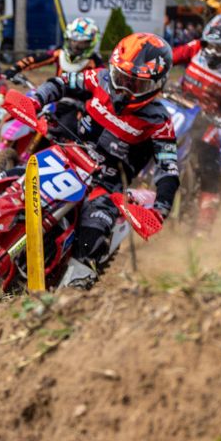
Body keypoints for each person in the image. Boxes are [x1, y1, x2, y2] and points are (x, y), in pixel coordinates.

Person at [21, 33, 179, 288]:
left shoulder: (159, 121)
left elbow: (168, 168)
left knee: (91, 234)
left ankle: (69, 294)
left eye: (135, 85)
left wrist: (161, 209)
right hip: (67, 155)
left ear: (156, 86)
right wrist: (35, 99)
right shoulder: (99, 77)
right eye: (121, 79)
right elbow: (61, 83)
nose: (124, 90)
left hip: (108, 183)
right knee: (10, 181)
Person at [171, 12, 221, 232]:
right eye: (211, 45)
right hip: (178, 107)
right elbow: (169, 57)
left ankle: (203, 225)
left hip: (207, 120)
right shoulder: (195, 48)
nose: (213, 51)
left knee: (210, 167)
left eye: (220, 47)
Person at [4, 17, 102, 79]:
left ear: (90, 43)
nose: (75, 46)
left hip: (82, 104)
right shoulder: (59, 52)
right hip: (58, 97)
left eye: (81, 43)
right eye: (73, 41)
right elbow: (36, 59)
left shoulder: (95, 62)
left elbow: (104, 83)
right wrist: (15, 68)